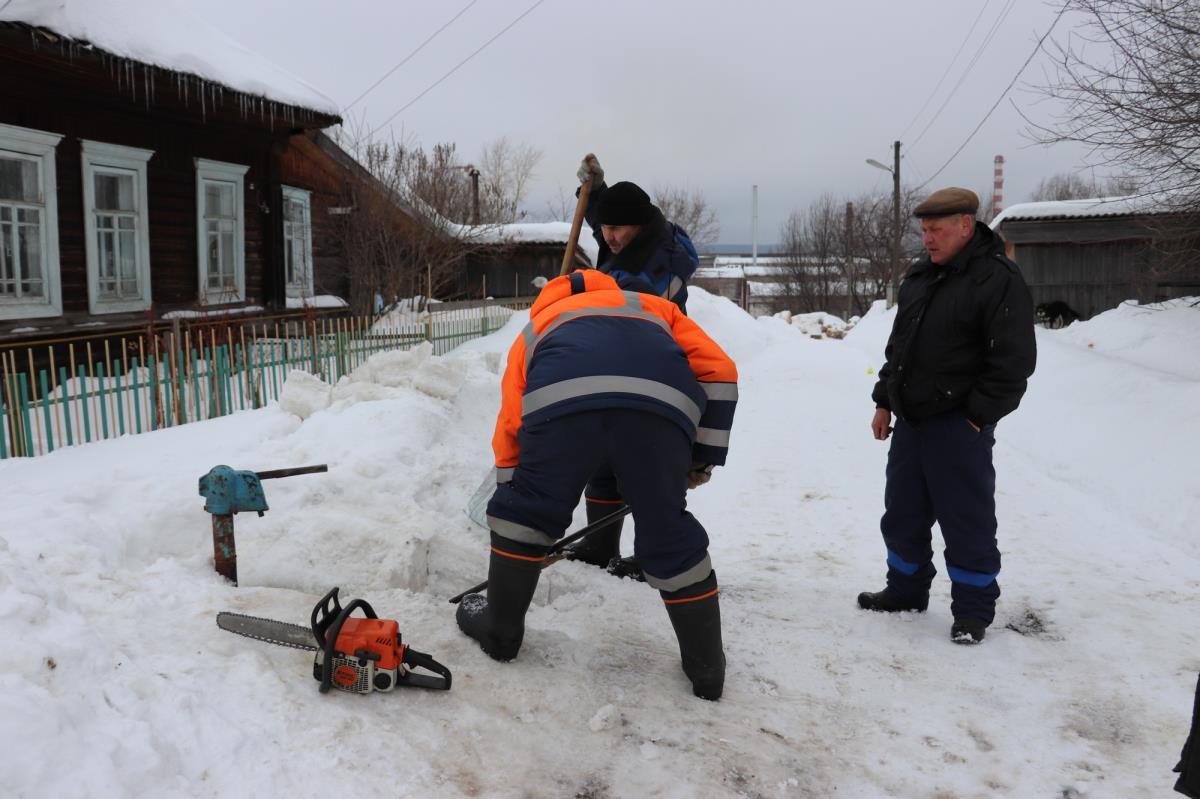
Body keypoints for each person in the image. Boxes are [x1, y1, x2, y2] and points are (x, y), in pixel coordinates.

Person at [455, 267, 738, 699]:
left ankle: (500, 629)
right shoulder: (655, 309)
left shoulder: (538, 328)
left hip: (562, 406)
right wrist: (701, 457)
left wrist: (514, 488)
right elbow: (720, 372)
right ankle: (707, 667)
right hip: (659, 413)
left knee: (526, 510)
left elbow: (512, 419)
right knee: (667, 528)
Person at [860, 187, 1036, 645]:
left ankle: (973, 613)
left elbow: (1013, 364)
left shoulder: (997, 280)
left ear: (965, 225)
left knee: (967, 520)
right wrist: (884, 400)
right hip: (911, 423)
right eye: (924, 231)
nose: (928, 240)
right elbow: (898, 350)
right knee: (902, 514)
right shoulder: (920, 277)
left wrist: (975, 417)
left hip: (959, 425)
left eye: (936, 230)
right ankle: (905, 591)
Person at [565, 155, 701, 575]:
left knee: (646, 469)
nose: (609, 238)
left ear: (640, 226)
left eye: (617, 229)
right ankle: (599, 546)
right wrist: (595, 194)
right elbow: (607, 225)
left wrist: (572, 294)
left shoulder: (662, 260)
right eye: (604, 229)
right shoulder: (628, 236)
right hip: (615, 361)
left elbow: (632, 301)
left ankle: (654, 558)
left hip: (654, 369)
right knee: (603, 455)